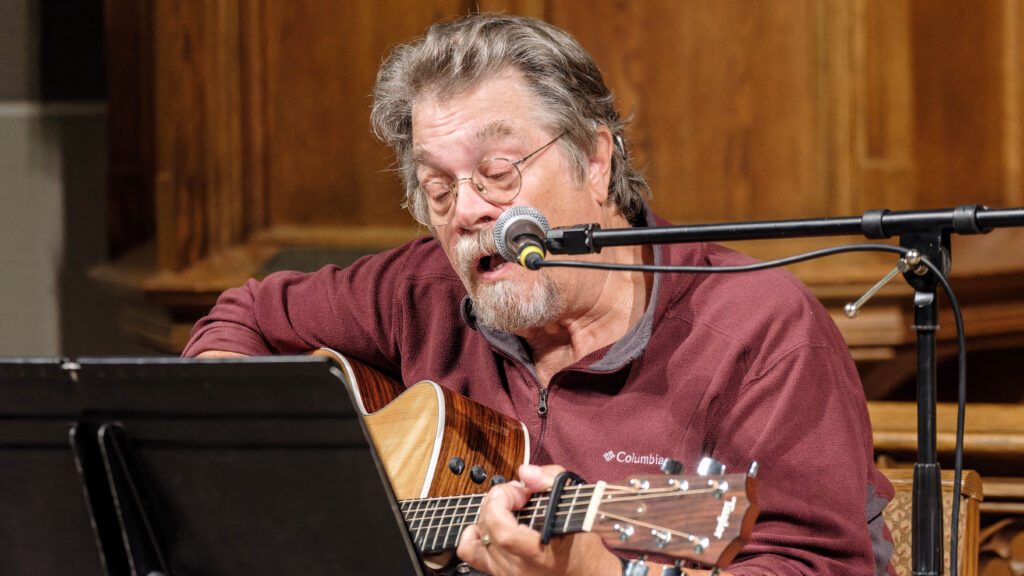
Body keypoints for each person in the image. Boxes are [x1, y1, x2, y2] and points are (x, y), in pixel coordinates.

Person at [184, 13, 894, 576]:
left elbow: (816, 566)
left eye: (497, 172)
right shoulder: (418, 291)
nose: (467, 211)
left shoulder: (759, 329)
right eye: (438, 188)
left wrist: (598, 573)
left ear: (594, 158)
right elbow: (243, 317)